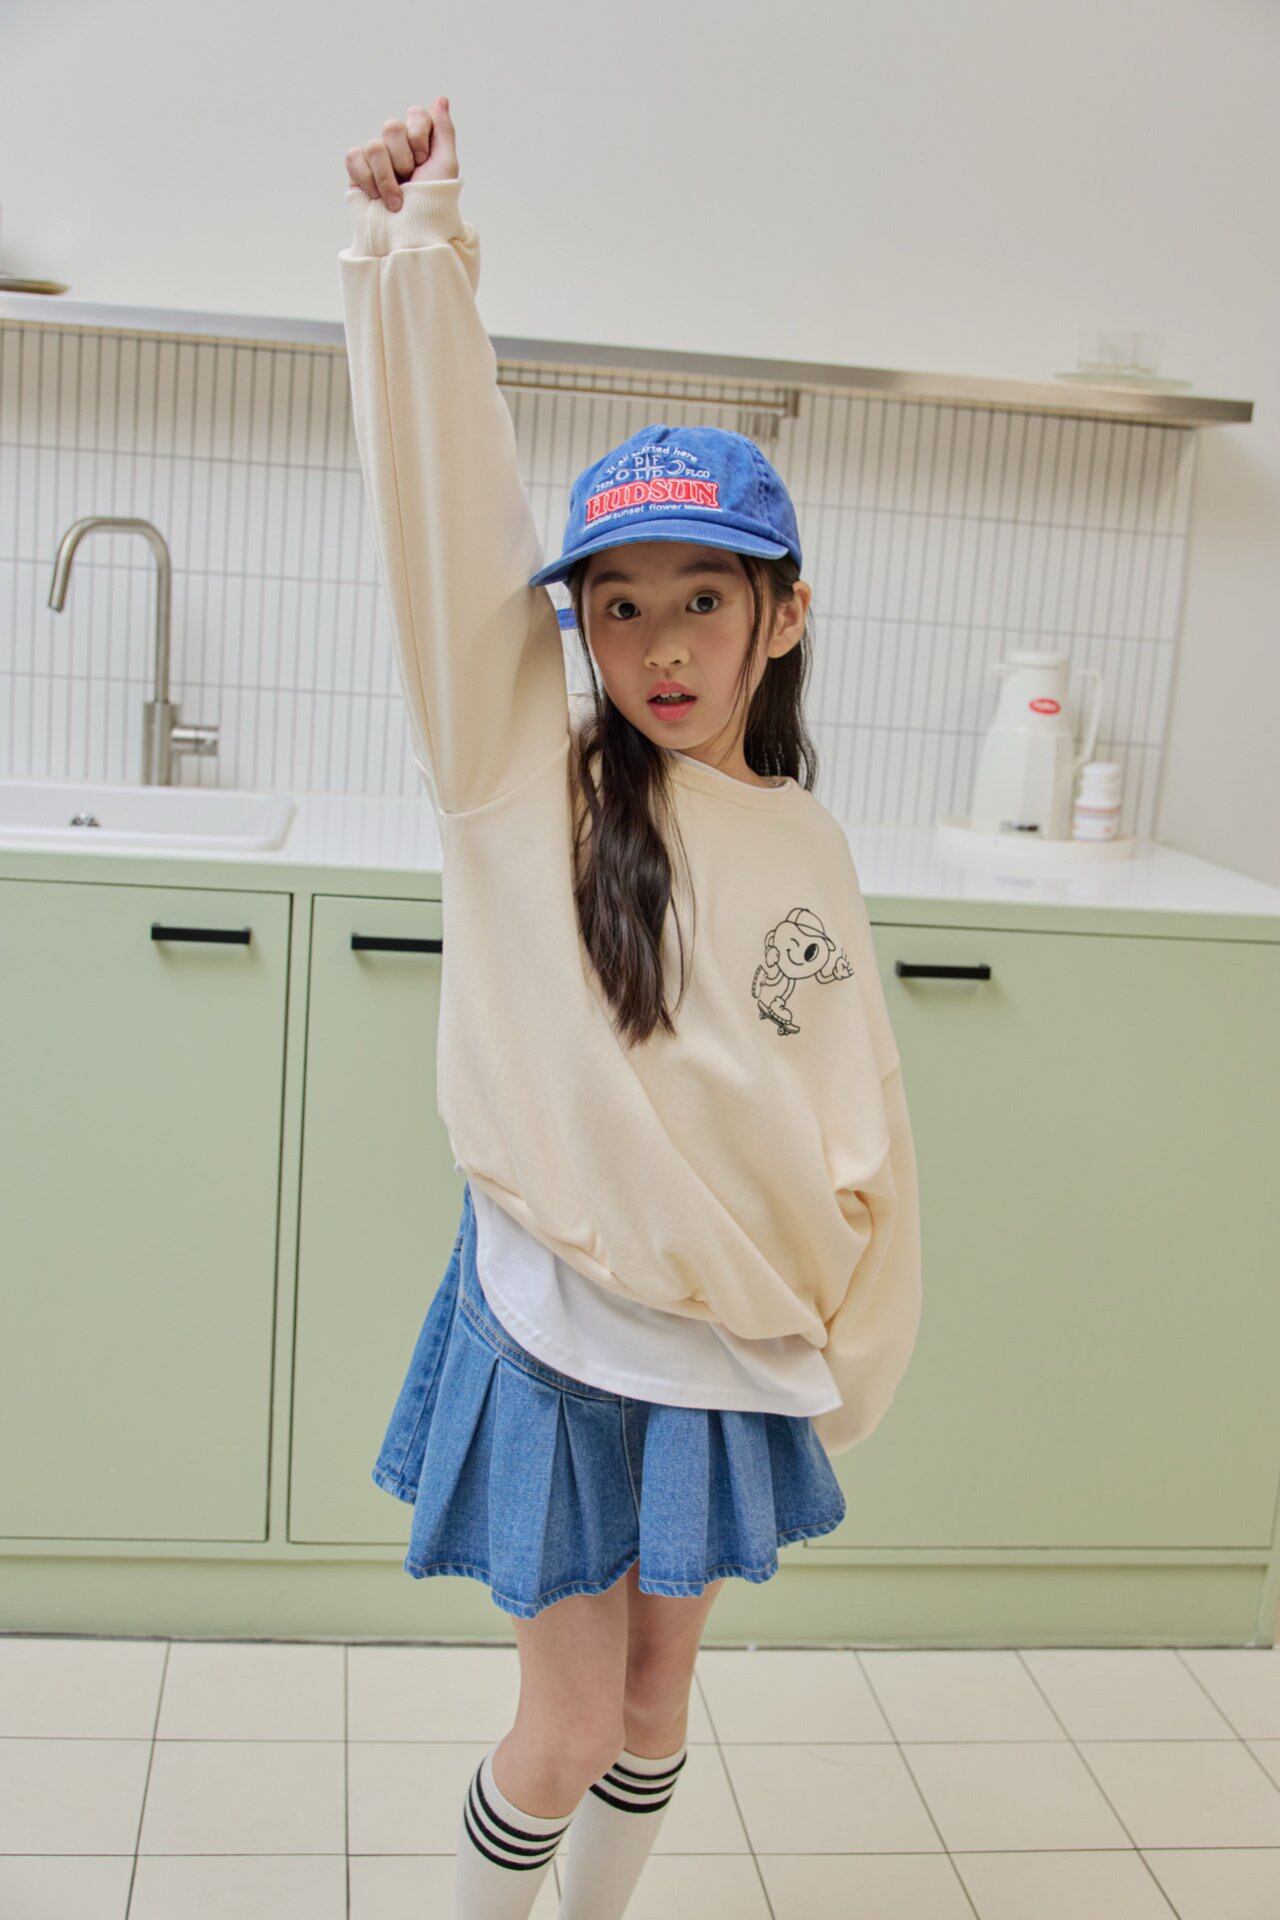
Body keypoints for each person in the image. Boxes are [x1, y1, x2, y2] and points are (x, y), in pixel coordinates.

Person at [340, 95, 922, 1920]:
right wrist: (420, 252)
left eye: (702, 601)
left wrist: (854, 1342)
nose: (660, 646)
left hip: (727, 1348)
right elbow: (448, 518)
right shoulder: (526, 780)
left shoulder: (805, 841)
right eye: (617, 606)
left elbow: (857, 1115)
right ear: (575, 627)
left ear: (782, 616)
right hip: (562, 1315)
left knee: (659, 1712)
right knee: (571, 1721)